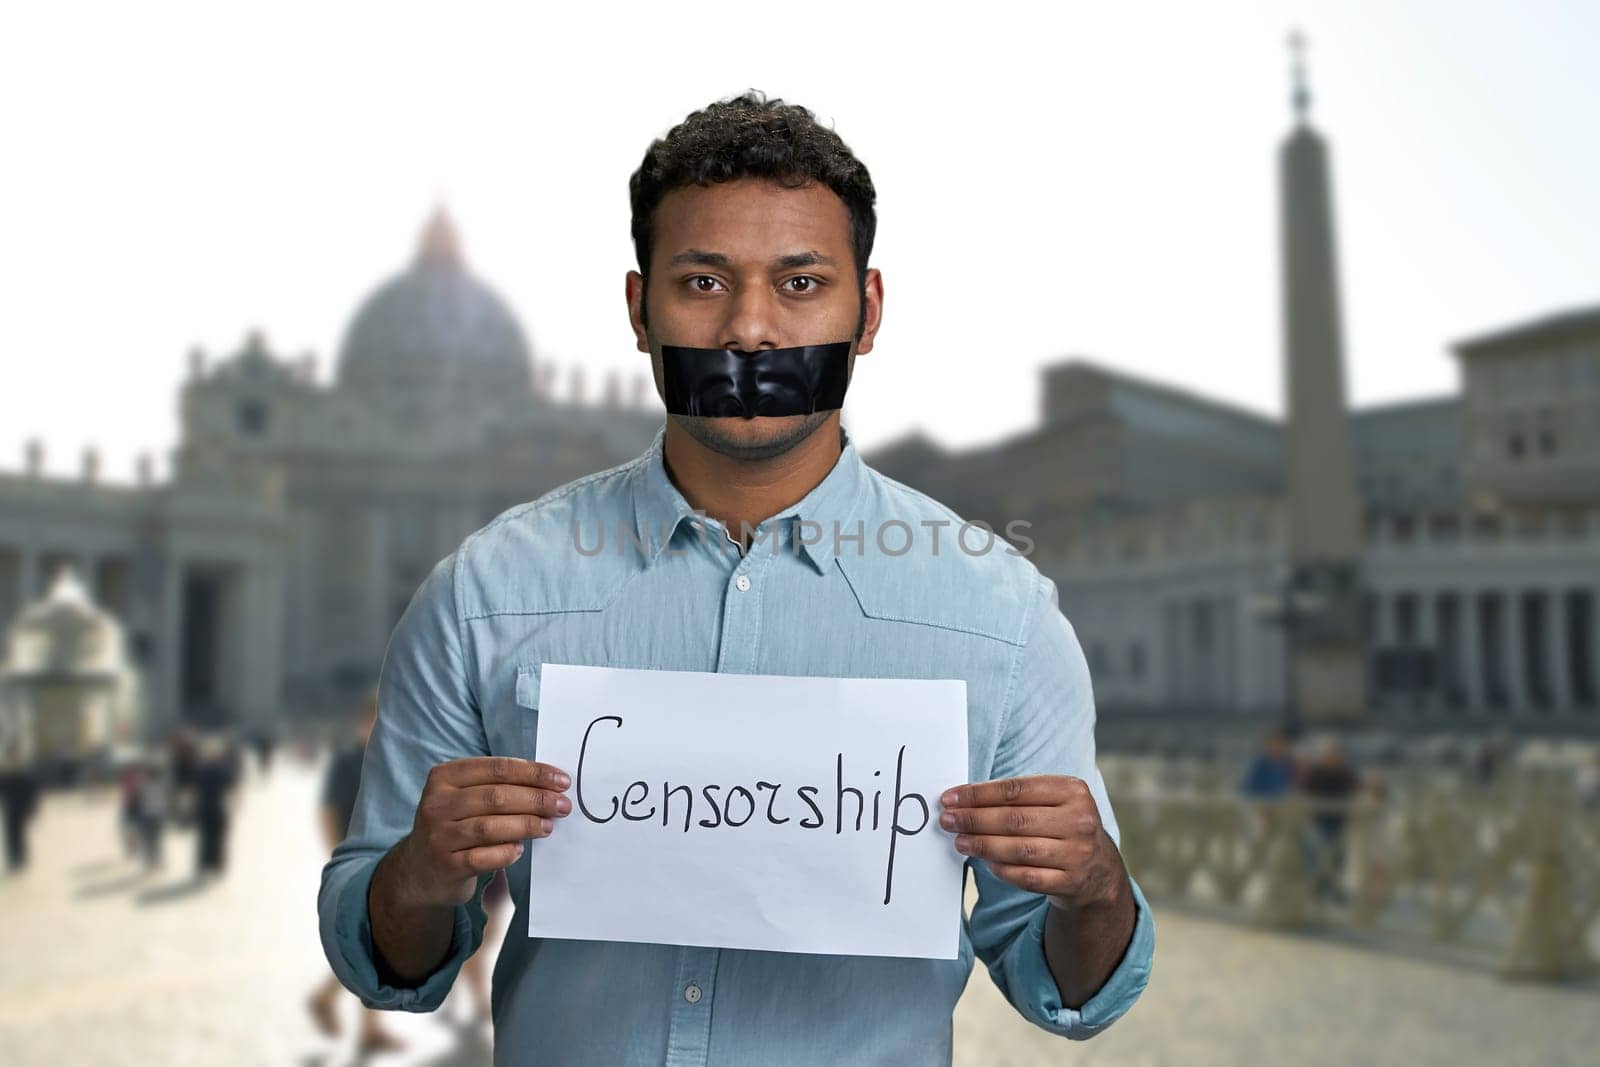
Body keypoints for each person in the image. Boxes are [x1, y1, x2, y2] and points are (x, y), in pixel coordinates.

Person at [318, 91, 1154, 1064]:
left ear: (867, 310)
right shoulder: (481, 593)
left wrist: (1094, 883)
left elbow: (1068, 991)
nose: (750, 330)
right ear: (639, 309)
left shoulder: (1002, 616)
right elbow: (385, 955)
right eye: (703, 282)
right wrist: (420, 871)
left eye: (800, 283)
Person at [308, 694, 404, 1053]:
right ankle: (359, 1020)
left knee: (373, 946)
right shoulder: (347, 761)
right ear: (366, 722)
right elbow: (327, 811)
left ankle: (354, 1016)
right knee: (374, 945)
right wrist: (336, 858)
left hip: (385, 862)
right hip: (356, 862)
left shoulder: (390, 762)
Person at [1300, 738, 1359, 903]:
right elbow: (1306, 796)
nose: (1332, 758)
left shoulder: (1346, 774)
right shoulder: (1314, 774)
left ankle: (1334, 889)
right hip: (1319, 822)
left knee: (1339, 858)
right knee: (1317, 857)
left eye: (1335, 755)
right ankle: (1316, 891)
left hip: (1340, 823)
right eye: (1329, 755)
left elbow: (1355, 792)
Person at [191, 733, 240, 878]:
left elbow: (233, 787)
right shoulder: (215, 768)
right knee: (212, 838)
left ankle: (211, 866)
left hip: (212, 807)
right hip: (212, 807)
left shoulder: (206, 768)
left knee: (212, 838)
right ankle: (213, 866)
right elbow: (233, 786)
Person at [1240, 728, 1298, 799]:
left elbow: (1294, 788)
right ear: (1267, 745)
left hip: (1283, 803)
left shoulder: (1289, 763)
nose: (1277, 747)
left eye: (1281, 744)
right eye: (1274, 744)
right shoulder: (1260, 764)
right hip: (1260, 802)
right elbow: (1247, 789)